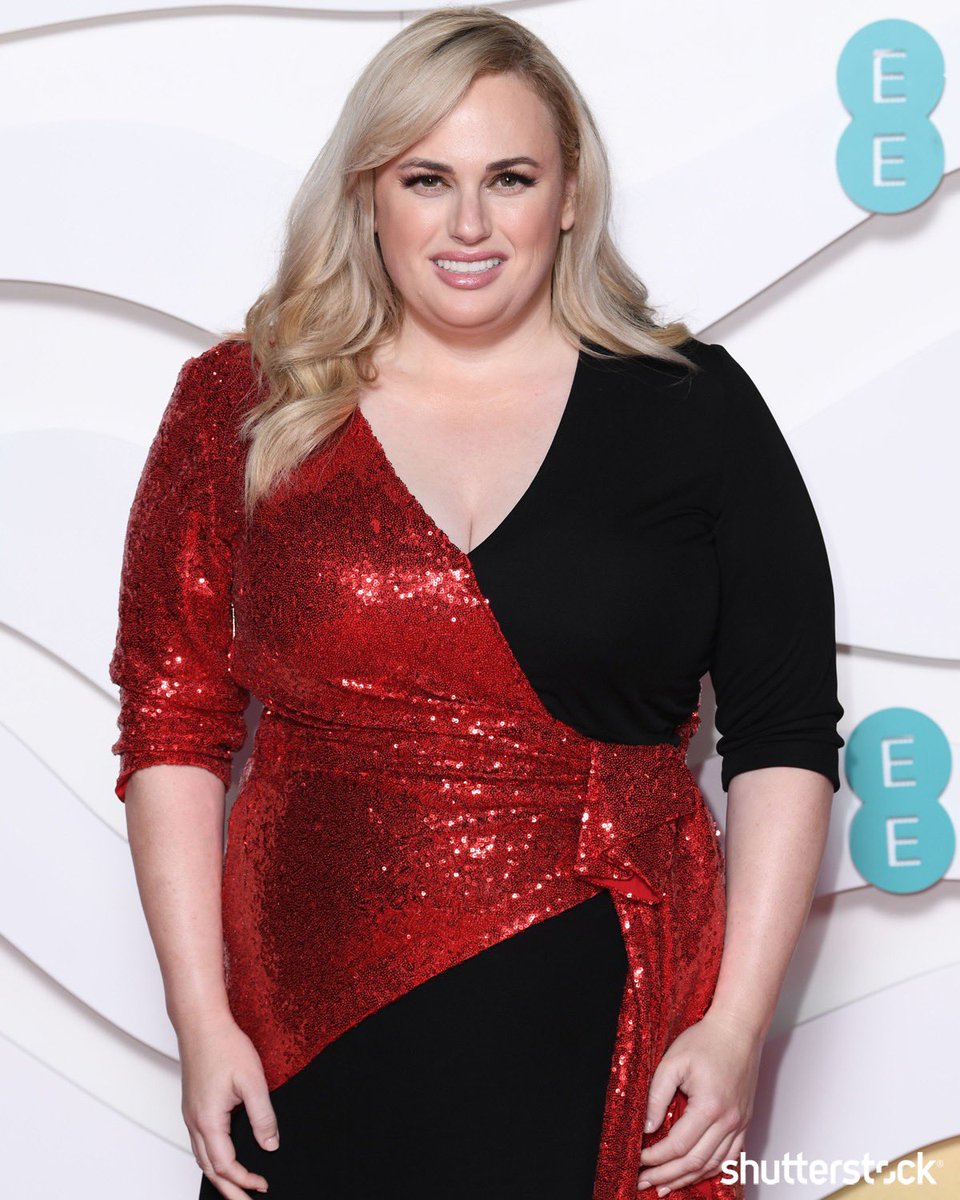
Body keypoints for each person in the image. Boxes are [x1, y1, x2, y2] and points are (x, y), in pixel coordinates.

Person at [107, 7, 845, 1200]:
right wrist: (202, 1021)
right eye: (426, 179)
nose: (468, 224)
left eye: (510, 178)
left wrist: (735, 1028)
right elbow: (171, 723)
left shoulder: (694, 408)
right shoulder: (241, 404)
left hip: (610, 1015)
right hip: (307, 1037)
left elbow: (785, 736)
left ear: (569, 194)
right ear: (369, 194)